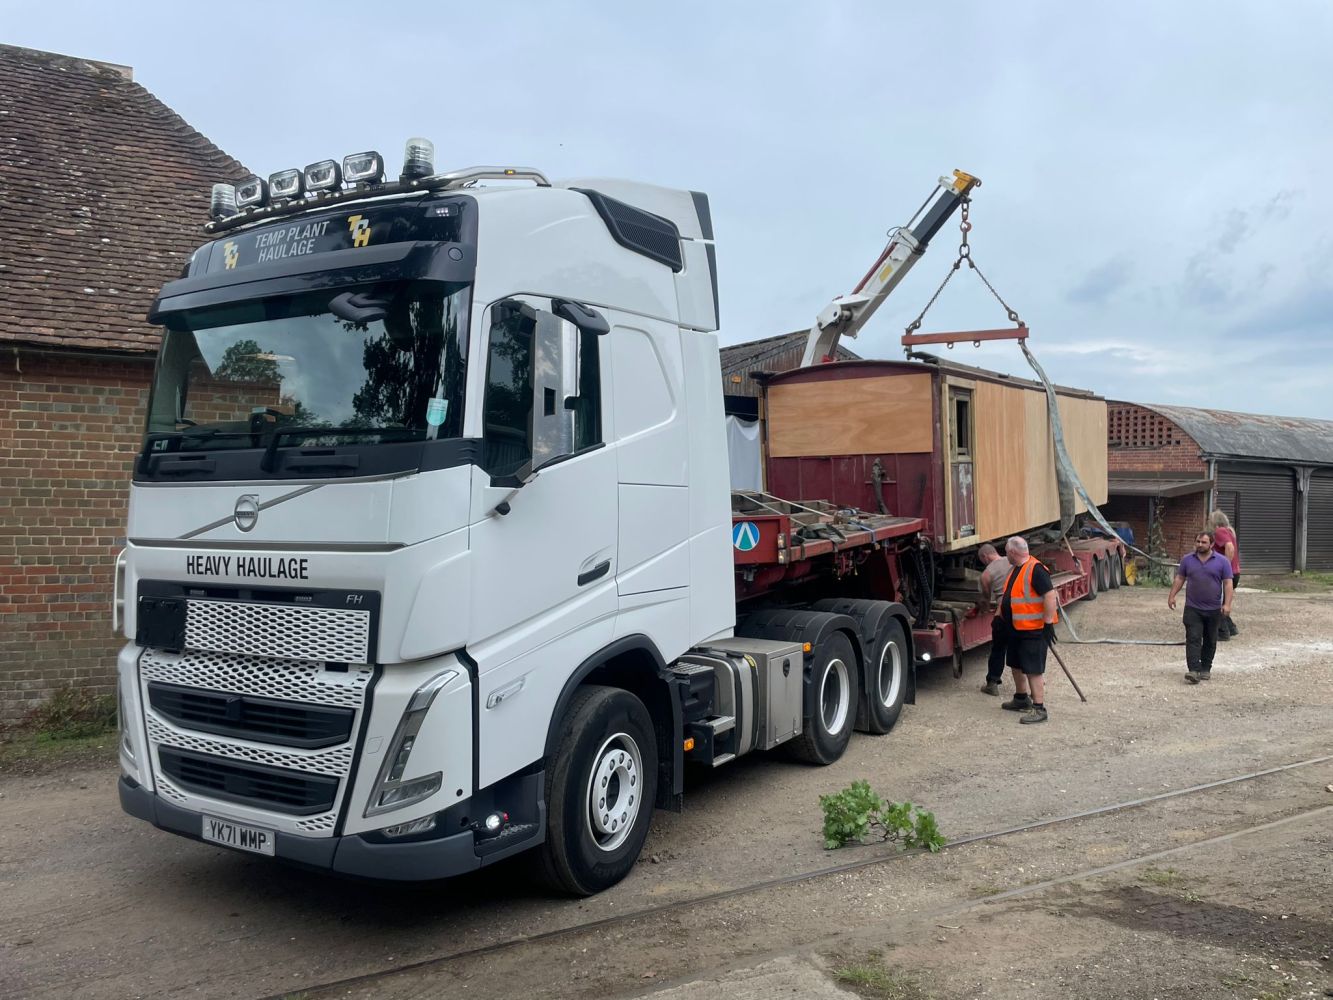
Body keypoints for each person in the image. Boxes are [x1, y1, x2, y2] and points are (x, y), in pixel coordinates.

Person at [996, 536, 1059, 724]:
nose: (1005, 554)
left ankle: (1039, 708)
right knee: (1016, 665)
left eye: (1007, 551)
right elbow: (1009, 595)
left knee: (1033, 669)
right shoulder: (1016, 569)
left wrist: (1048, 624)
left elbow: (1049, 595)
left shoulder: (1036, 570)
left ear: (1013, 552)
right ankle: (1021, 698)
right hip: (1016, 628)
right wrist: (999, 616)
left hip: (1033, 630)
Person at [1167, 529, 1234, 683]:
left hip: (1213, 609)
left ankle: (1205, 668)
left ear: (1211, 544)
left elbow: (1228, 583)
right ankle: (1193, 670)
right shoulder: (1187, 560)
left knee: (1210, 640)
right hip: (1193, 608)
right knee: (1193, 638)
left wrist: (1227, 604)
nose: (1200, 544)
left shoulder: (1222, 561)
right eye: (1198, 541)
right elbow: (1180, 578)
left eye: (1204, 542)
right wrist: (1172, 595)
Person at [977, 543, 1012, 696]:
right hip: (1022, 611)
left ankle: (992, 683)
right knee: (1022, 647)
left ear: (985, 557)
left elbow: (985, 599)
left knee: (998, 648)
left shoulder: (986, 573)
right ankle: (1032, 686)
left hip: (1003, 613)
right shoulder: (1013, 561)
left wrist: (983, 609)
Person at [1208, 510, 1241, 639]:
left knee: (1218, 602)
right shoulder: (1229, 531)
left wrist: (1225, 566)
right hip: (1235, 572)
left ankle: (1222, 631)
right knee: (1223, 600)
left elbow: (1229, 547)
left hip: (1229, 573)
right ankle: (1231, 627)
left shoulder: (1219, 531)